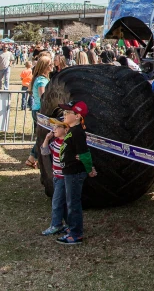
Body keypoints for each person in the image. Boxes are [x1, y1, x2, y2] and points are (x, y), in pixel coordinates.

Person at [57, 100, 98, 245]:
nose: (65, 114)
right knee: (70, 202)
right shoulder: (71, 130)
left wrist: (89, 169)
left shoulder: (78, 133)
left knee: (73, 203)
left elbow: (84, 153)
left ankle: (76, 234)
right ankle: (72, 228)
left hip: (74, 173)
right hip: (69, 171)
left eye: (69, 113)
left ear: (77, 116)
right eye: (65, 112)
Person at [40, 117, 69, 236]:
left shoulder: (67, 144)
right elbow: (44, 152)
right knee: (63, 202)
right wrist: (47, 138)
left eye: (57, 127)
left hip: (64, 177)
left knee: (57, 202)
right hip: (57, 177)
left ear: (65, 129)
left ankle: (56, 225)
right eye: (53, 127)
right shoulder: (55, 143)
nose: (54, 129)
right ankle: (68, 223)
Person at [25, 55, 53, 169]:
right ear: (45, 66)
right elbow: (43, 97)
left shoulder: (41, 79)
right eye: (50, 64)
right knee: (43, 137)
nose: (52, 66)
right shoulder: (41, 80)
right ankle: (31, 158)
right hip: (40, 110)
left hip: (38, 110)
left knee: (42, 137)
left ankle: (33, 158)